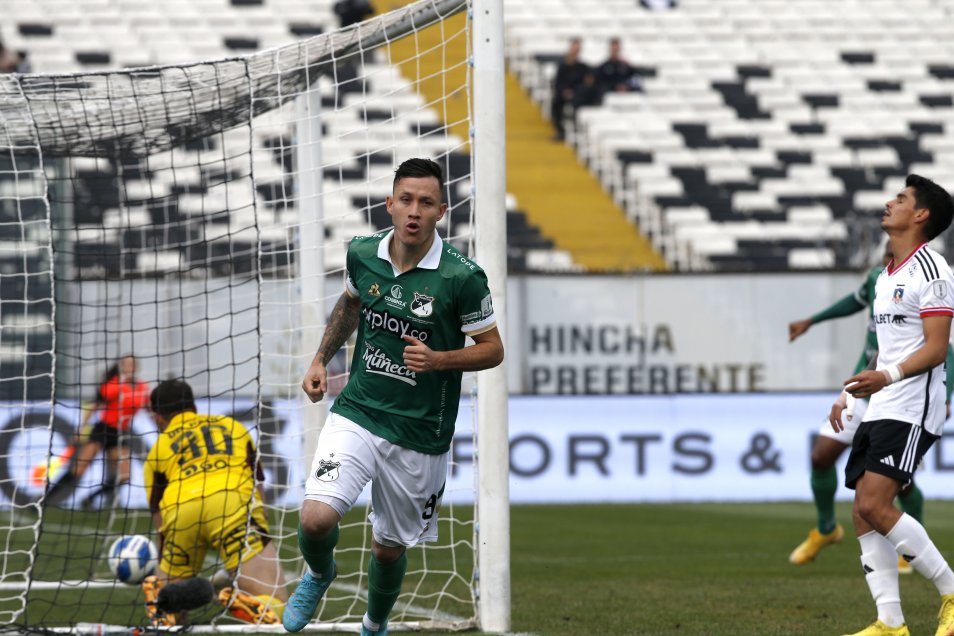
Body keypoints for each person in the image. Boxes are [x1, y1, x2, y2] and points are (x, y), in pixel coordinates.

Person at [282, 158, 504, 636]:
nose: (414, 211)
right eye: (406, 199)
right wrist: (321, 358)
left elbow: (493, 350)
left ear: (441, 211)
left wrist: (440, 360)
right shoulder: (362, 253)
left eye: (426, 202)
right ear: (389, 204)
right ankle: (320, 574)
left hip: (420, 432)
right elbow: (350, 303)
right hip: (359, 411)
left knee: (388, 547)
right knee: (317, 518)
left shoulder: (461, 278)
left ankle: (374, 623)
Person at [829, 174, 954, 636]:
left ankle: (952, 591)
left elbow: (936, 348)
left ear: (921, 215)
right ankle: (890, 623)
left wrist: (886, 377)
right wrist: (848, 392)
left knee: (878, 504)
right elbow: (888, 348)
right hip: (883, 402)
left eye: (900, 199)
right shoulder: (886, 277)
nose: (889, 203)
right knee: (862, 510)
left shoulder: (934, 272)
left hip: (912, 406)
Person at [788, 246, 954, 572]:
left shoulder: (929, 279)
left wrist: (945, 396)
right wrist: (813, 321)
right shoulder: (879, 280)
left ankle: (912, 555)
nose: (887, 263)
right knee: (821, 457)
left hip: (901, 397)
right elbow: (856, 307)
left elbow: (943, 349)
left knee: (892, 485)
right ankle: (825, 529)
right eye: (885, 257)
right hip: (866, 389)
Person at [141, 379, 288, 627]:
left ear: (156, 418)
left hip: (182, 511)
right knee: (277, 606)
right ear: (194, 406)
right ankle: (239, 600)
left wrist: (165, 570)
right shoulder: (232, 426)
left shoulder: (158, 449)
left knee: (169, 610)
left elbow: (161, 524)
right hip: (233, 506)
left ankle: (164, 609)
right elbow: (258, 488)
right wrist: (258, 536)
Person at [47, 354, 150, 509]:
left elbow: (148, 409)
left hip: (120, 434)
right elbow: (95, 405)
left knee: (125, 476)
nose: (130, 368)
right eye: (127, 364)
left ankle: (90, 498)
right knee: (79, 469)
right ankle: (45, 500)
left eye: (133, 364)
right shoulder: (113, 384)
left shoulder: (143, 388)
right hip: (102, 430)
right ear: (121, 367)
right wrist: (81, 428)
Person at [550, 37, 591, 141]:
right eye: (574, 47)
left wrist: (576, 92)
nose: (576, 50)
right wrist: (565, 91)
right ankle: (561, 130)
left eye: (578, 48)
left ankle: (579, 131)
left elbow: (586, 82)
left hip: (578, 95)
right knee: (556, 103)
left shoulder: (583, 67)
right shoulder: (563, 66)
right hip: (564, 94)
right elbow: (558, 82)